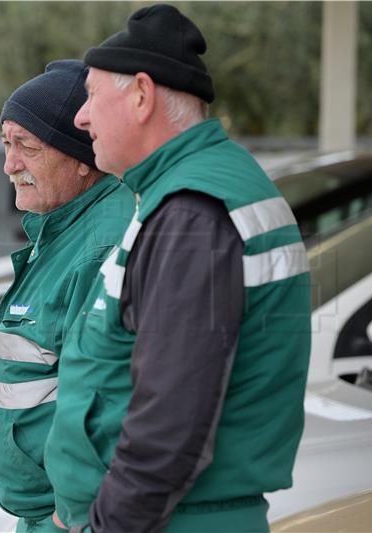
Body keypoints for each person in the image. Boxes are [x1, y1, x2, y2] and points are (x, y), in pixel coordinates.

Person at [43, 5, 312, 532]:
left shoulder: (194, 212)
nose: (81, 116)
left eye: (93, 94)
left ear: (141, 95)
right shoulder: (183, 191)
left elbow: (170, 422)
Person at [0, 60, 135, 533]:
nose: (9, 165)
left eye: (26, 146)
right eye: (7, 144)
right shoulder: (64, 228)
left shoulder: (104, 245)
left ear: (82, 158)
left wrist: (71, 513)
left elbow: (115, 403)